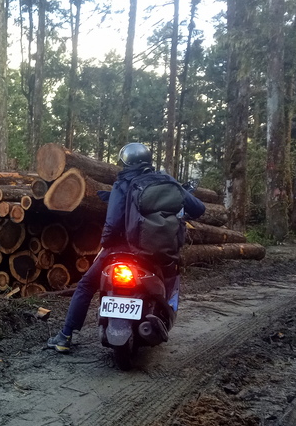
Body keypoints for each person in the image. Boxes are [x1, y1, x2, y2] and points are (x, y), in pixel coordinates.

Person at [47, 142, 205, 353]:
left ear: (125, 162)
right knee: (171, 278)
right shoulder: (167, 181)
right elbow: (199, 209)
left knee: (85, 285)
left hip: (120, 251)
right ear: (148, 161)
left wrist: (106, 245)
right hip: (156, 254)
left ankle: (64, 337)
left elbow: (112, 223)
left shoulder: (122, 184)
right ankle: (164, 313)